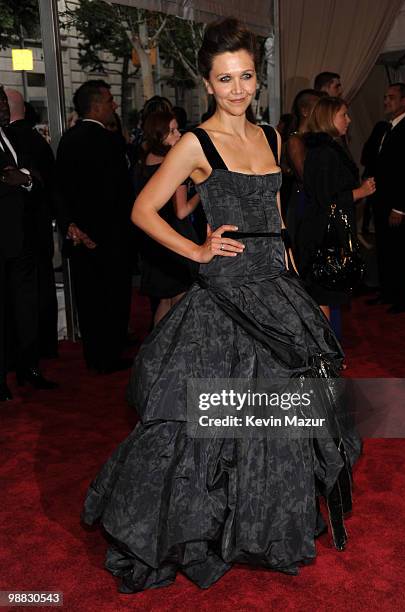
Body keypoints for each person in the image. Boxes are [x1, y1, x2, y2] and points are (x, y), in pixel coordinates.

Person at [82, 18, 361, 590]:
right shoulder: (195, 142)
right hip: (227, 297)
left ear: (257, 79)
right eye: (224, 78)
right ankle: (207, 524)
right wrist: (198, 250)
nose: (237, 89)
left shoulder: (274, 138)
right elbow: (143, 210)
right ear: (208, 83)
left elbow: (275, 210)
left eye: (246, 76)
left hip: (277, 291)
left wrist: (283, 252)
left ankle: (266, 522)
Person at [56, 80, 135, 373]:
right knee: (113, 297)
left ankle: (95, 355)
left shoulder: (67, 140)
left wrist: (73, 226)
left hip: (80, 237)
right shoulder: (110, 142)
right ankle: (110, 355)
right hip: (111, 238)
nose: (114, 105)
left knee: (89, 300)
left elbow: (61, 189)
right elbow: (119, 194)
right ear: (97, 105)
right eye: (110, 100)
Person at [0, 86, 57, 401]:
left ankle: (28, 368)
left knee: (25, 307)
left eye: (4, 99)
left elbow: (36, 176)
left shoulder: (16, 137)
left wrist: (25, 178)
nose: (4, 105)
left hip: (22, 238)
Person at [299, 97, 375, 322]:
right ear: (329, 118)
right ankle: (327, 354)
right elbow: (326, 198)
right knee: (323, 296)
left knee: (327, 297)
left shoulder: (328, 148)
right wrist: (359, 192)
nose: (349, 120)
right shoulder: (324, 152)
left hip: (327, 232)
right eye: (344, 114)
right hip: (324, 236)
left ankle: (329, 352)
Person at [362, 83, 405, 313]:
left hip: (399, 202)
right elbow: (368, 157)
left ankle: (404, 298)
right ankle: (388, 292)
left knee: (401, 251)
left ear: (404, 101)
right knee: (385, 248)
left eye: (391, 97)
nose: (386, 101)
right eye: (385, 96)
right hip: (380, 199)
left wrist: (400, 207)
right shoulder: (384, 127)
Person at [134, 110, 200, 325]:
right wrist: (201, 191)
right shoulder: (173, 164)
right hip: (174, 238)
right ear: (158, 135)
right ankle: (173, 353)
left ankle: (158, 352)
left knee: (165, 301)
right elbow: (182, 210)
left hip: (152, 239)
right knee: (180, 302)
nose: (179, 134)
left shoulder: (144, 162)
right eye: (172, 131)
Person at [285, 89, 321, 251]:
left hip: (313, 199)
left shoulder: (315, 138)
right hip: (303, 202)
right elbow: (306, 177)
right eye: (318, 107)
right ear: (304, 111)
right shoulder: (295, 140)